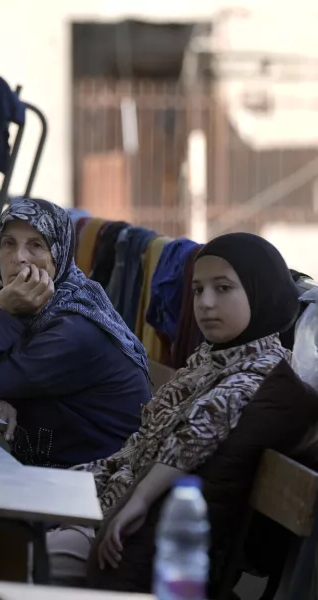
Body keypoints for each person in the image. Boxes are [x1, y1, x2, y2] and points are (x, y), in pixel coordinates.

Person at [47, 232, 300, 586]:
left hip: (129, 532)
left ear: (262, 291)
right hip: (104, 495)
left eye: (223, 288)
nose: (206, 303)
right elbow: (138, 447)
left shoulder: (261, 372)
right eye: (198, 290)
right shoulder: (209, 356)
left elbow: (199, 429)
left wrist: (137, 501)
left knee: (9, 555)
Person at [0, 198, 150, 467]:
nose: (18, 257)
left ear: (59, 255)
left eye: (36, 245)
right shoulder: (31, 309)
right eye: (8, 243)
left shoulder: (73, 329)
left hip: (94, 487)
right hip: (47, 475)